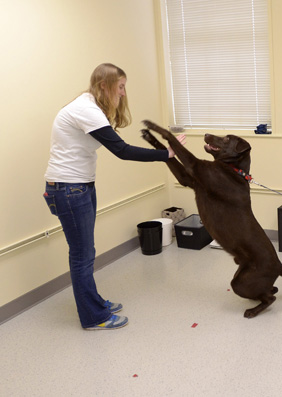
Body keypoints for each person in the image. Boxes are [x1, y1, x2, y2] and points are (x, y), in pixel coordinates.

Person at [44, 63, 185, 330]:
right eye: (120, 87)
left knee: (86, 253)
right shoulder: (85, 109)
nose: (122, 93)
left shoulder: (90, 106)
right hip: (69, 189)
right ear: (103, 86)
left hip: (78, 187)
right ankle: (94, 317)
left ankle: (94, 304)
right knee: (81, 256)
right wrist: (165, 154)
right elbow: (122, 150)